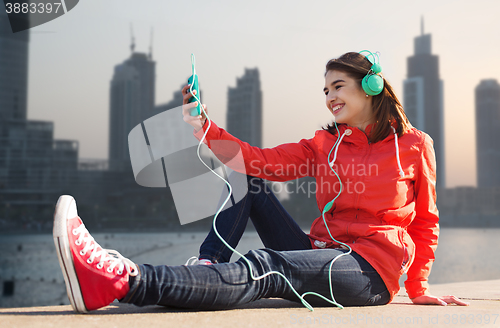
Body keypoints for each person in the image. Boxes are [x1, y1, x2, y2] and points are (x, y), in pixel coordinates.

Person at [53, 52, 468, 314]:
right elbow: (259, 161)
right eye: (325, 90)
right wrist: (204, 127)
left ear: (372, 86)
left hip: (369, 270)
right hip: (321, 252)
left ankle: (124, 280)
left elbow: (426, 221)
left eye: (338, 86)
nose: (329, 97)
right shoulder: (324, 144)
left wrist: (418, 287)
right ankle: (208, 266)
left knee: (268, 265)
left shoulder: (414, 145)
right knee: (246, 177)